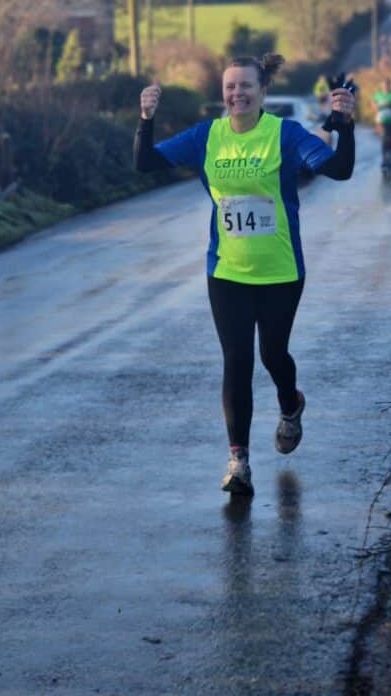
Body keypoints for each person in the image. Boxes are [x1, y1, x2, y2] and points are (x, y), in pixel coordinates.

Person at [134, 54, 356, 497]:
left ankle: (290, 404)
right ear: (223, 92)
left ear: (262, 91)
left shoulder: (284, 134)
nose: (238, 94)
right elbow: (146, 164)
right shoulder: (207, 136)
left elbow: (339, 169)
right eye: (230, 87)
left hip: (280, 271)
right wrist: (145, 118)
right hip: (227, 271)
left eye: (246, 86)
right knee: (236, 362)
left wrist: (345, 126)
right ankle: (239, 461)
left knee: (273, 356)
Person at [372, 77, 391, 175]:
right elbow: (373, 102)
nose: (385, 87)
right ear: (382, 86)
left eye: (387, 85)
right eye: (384, 85)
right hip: (381, 120)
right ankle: (385, 160)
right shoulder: (378, 94)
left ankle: (389, 159)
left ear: (390, 86)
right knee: (385, 139)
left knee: (390, 139)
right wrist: (375, 107)